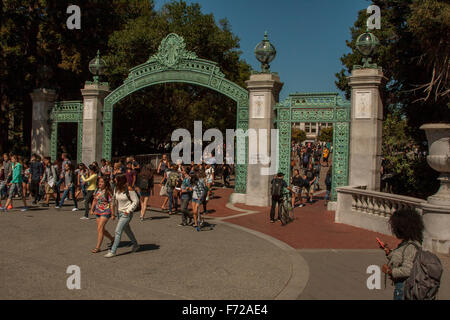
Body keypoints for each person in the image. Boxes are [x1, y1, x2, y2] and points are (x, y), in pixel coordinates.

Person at [380, 208, 425, 300]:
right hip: (402, 287)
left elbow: (408, 270)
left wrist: (390, 271)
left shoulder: (411, 246)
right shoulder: (406, 243)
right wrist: (389, 252)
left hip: (404, 289)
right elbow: (401, 258)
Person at [104, 174, 139, 258]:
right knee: (127, 230)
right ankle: (136, 245)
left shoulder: (129, 189)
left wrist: (128, 210)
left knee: (117, 231)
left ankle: (113, 251)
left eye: (115, 179)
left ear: (120, 180)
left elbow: (136, 201)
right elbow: (114, 200)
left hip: (126, 214)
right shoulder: (116, 189)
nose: (113, 180)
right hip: (120, 213)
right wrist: (112, 212)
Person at [90, 176, 115, 253]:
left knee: (100, 229)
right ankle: (112, 239)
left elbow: (112, 203)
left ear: (105, 183)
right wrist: (92, 209)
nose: (100, 183)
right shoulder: (97, 190)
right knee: (102, 229)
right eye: (99, 182)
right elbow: (94, 200)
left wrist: (113, 214)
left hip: (106, 211)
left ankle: (98, 247)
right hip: (98, 211)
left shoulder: (108, 192)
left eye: (102, 182)